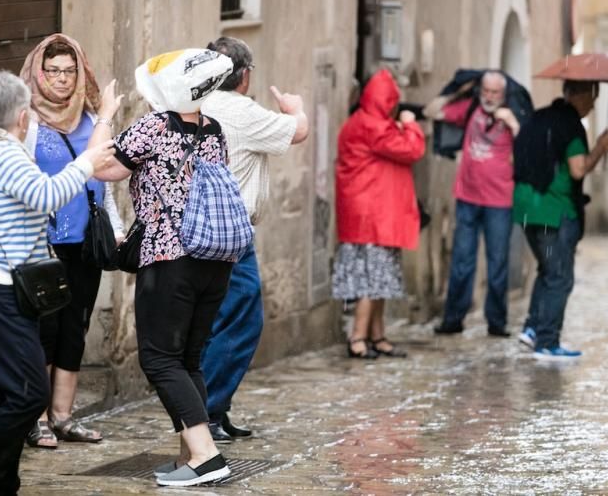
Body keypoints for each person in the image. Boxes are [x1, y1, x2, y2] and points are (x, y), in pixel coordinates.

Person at [0, 72, 114, 496]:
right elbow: (47, 195)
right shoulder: (5, 154)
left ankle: (1, 485)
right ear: (22, 116)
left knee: (6, 392)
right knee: (28, 393)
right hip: (1, 289)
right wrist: (87, 162)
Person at [91, 48, 237, 487]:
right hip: (215, 260)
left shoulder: (155, 127)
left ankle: (208, 454)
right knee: (187, 358)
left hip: (170, 259)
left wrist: (104, 116)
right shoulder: (214, 130)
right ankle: (191, 454)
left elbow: (100, 168)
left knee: (158, 359)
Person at [198, 37, 309, 443]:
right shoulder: (241, 112)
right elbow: (298, 131)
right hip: (231, 234)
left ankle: (214, 409)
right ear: (245, 77)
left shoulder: (192, 104)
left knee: (212, 322)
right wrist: (296, 108)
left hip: (195, 231)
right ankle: (206, 412)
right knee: (243, 320)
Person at [19, 33, 124, 449]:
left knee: (74, 328)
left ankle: (64, 415)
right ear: (39, 73)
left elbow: (104, 182)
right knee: (44, 326)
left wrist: (114, 226)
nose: (62, 80)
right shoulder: (26, 120)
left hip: (85, 242)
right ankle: (37, 417)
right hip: (43, 242)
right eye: (53, 71)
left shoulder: (92, 119)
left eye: (69, 71)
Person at [513, 80, 608, 359]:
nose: (593, 105)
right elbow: (578, 169)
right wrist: (600, 148)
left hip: (525, 208)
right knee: (560, 277)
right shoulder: (571, 125)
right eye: (590, 98)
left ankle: (532, 328)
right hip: (554, 212)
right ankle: (547, 342)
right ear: (575, 95)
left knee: (547, 269)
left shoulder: (538, 117)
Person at [332, 68, 425, 359]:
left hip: (372, 215)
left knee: (380, 279)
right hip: (371, 217)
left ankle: (377, 335)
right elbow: (412, 150)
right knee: (371, 282)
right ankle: (358, 338)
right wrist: (410, 125)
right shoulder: (373, 126)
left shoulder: (362, 121)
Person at [426, 71, 520, 337]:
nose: (489, 97)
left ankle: (497, 323)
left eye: (495, 93)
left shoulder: (513, 116)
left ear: (504, 95)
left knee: (497, 263)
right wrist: (459, 90)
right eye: (486, 91)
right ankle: (453, 319)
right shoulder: (470, 109)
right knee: (462, 261)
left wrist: (513, 124)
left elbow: (526, 150)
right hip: (467, 196)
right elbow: (432, 111)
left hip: (499, 201)